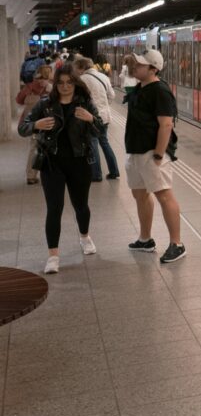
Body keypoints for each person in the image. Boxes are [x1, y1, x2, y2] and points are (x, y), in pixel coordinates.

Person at [18, 69, 102, 274]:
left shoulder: (84, 104)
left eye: (69, 83)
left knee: (81, 205)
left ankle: (84, 236)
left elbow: (101, 131)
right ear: (55, 85)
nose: (65, 86)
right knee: (54, 209)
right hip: (51, 164)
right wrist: (36, 125)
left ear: (75, 84)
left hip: (79, 162)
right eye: (61, 83)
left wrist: (91, 119)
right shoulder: (45, 104)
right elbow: (23, 128)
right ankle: (53, 256)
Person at [124, 49, 186, 264]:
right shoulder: (140, 88)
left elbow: (166, 124)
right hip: (135, 151)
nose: (134, 67)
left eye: (140, 65)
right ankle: (145, 239)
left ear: (153, 68)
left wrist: (159, 154)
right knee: (140, 195)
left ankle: (176, 244)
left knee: (164, 196)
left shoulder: (160, 91)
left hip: (152, 152)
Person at [72, 57, 120, 181]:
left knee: (93, 144)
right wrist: (104, 106)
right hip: (104, 116)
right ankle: (114, 171)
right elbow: (112, 95)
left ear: (82, 67)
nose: (75, 71)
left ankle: (96, 174)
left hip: (90, 117)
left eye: (76, 68)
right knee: (104, 143)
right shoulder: (104, 77)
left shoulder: (81, 80)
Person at [16, 65, 54, 185]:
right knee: (51, 147)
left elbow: (19, 100)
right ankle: (52, 173)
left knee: (34, 148)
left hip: (33, 122)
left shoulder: (29, 86)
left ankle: (31, 176)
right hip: (49, 121)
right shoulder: (51, 88)